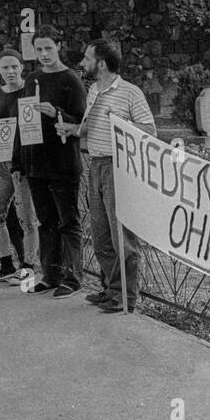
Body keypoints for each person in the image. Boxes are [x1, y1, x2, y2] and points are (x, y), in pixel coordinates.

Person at [63, 38, 155, 312]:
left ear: (101, 64)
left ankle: (127, 297)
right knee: (101, 235)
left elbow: (150, 131)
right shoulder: (93, 90)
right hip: (96, 164)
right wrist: (72, 130)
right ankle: (112, 289)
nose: (83, 63)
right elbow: (90, 126)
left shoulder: (130, 92)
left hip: (119, 168)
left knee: (121, 236)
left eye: (87, 58)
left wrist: (122, 122)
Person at [20, 25, 86, 298]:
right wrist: (21, 161)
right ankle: (50, 274)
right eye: (39, 49)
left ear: (58, 46)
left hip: (62, 161)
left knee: (67, 220)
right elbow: (24, 121)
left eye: (49, 48)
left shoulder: (71, 79)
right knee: (45, 220)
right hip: (37, 160)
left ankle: (73, 276)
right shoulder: (32, 78)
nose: (44, 54)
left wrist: (55, 112)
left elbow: (83, 122)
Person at [0, 47, 38, 282]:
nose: (10, 71)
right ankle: (6, 263)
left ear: (21, 67)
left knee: (27, 219)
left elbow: (33, 129)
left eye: (14, 66)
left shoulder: (28, 91)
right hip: (2, 162)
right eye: (5, 67)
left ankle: (29, 266)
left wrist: (24, 162)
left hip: (23, 164)